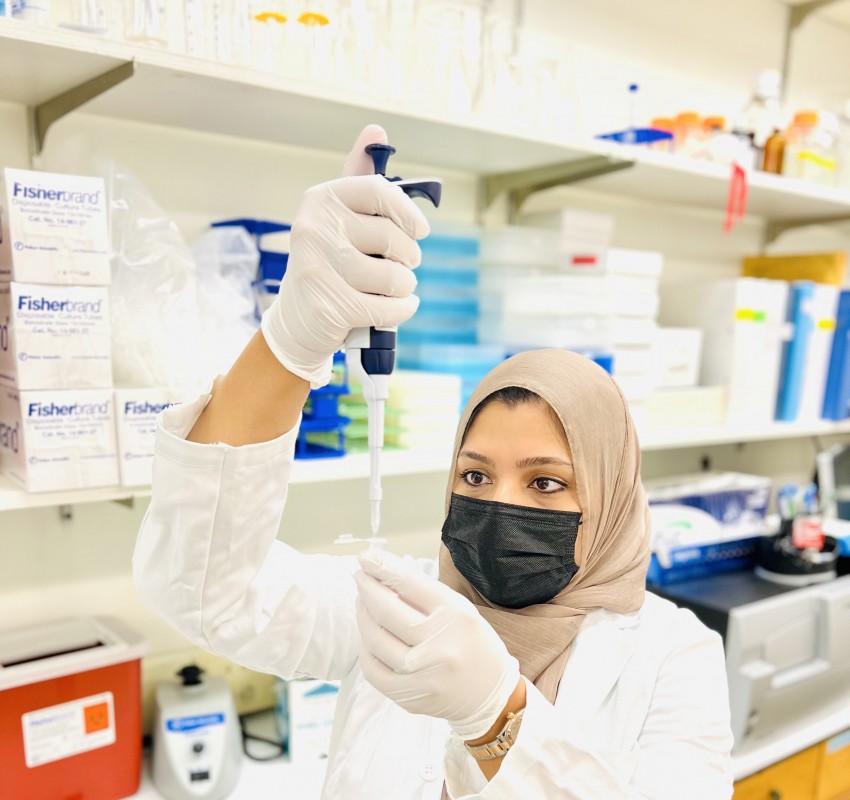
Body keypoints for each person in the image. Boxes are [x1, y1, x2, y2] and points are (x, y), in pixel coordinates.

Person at [133, 125, 734, 799]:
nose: (499, 504)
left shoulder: (673, 655)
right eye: (475, 476)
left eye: (545, 482)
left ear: (613, 497)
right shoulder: (400, 612)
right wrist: (293, 337)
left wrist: (495, 714)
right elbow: (203, 589)